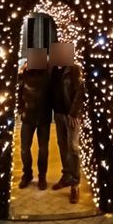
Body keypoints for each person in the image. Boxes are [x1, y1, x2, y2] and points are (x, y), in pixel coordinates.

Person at [48, 41, 85, 204]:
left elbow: (80, 91)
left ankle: (75, 184)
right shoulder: (54, 70)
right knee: (62, 145)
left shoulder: (74, 69)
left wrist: (74, 112)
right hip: (58, 114)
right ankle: (66, 176)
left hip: (70, 115)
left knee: (73, 148)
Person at [17, 48, 52, 190]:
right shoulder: (24, 75)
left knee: (43, 149)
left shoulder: (48, 74)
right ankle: (27, 174)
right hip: (28, 117)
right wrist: (20, 109)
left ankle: (42, 176)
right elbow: (18, 91)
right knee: (25, 148)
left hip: (44, 117)